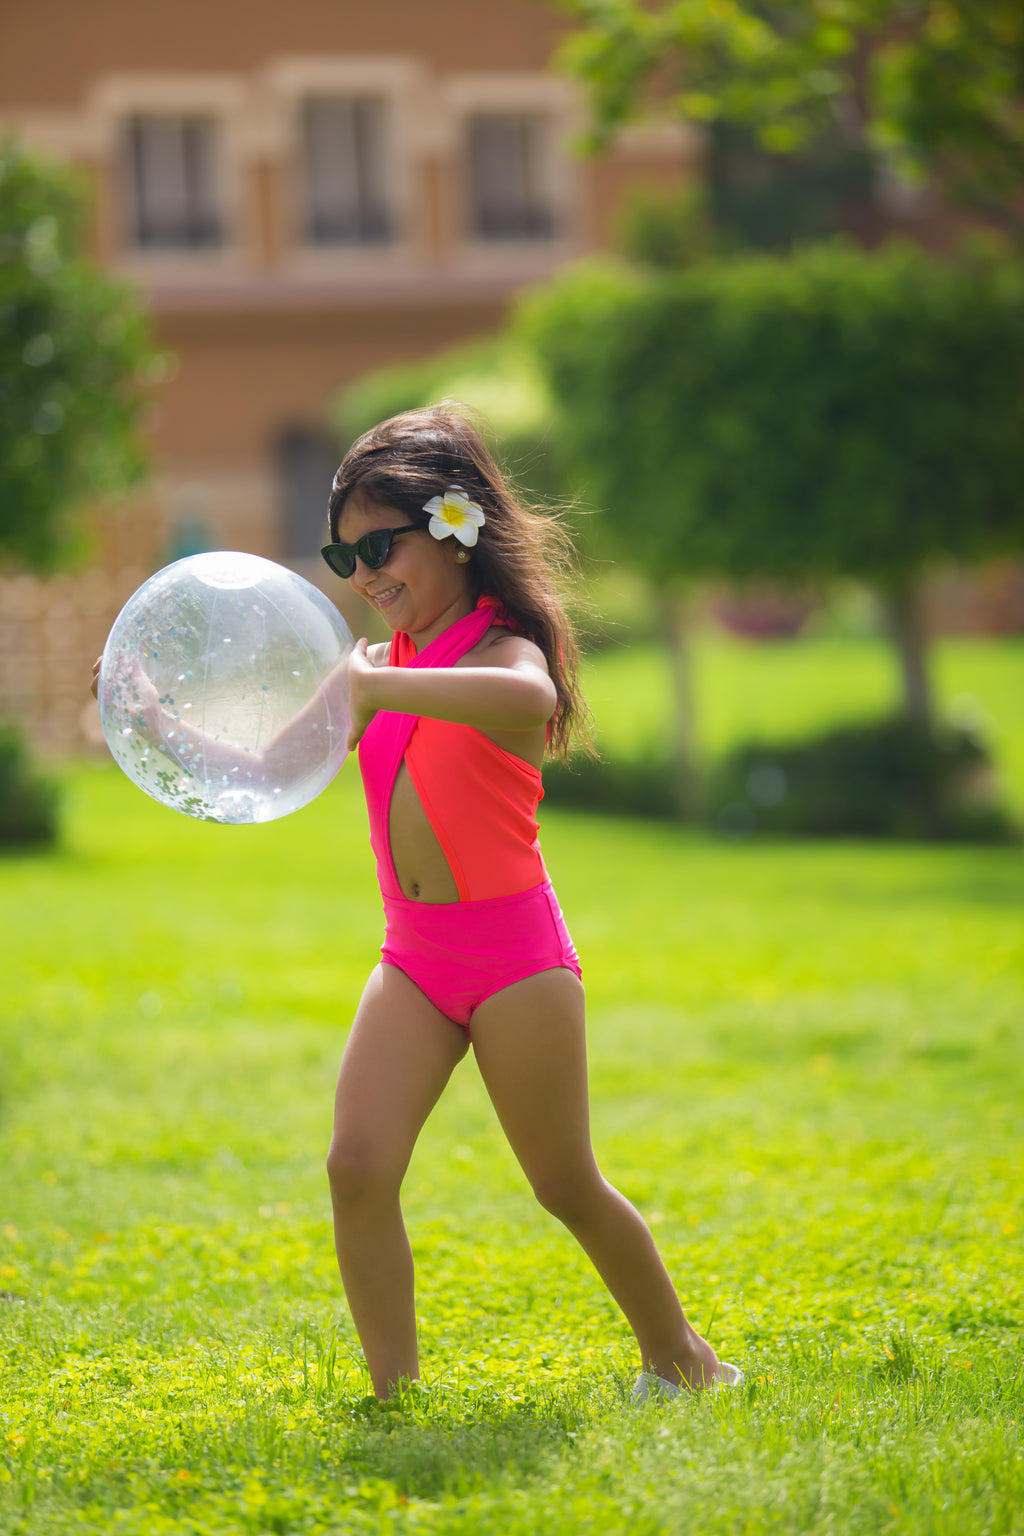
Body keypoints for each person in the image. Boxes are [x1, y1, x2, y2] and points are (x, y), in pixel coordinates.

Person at [319, 405, 742, 1403]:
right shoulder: (383, 668)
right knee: (356, 1165)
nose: (367, 575)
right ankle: (395, 1395)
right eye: (346, 561)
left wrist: (383, 691)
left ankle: (686, 1364)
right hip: (414, 958)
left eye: (381, 546)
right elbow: (275, 749)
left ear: (454, 527)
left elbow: (528, 704)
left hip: (515, 962)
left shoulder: (497, 647)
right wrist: (153, 712)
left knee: (563, 1184)